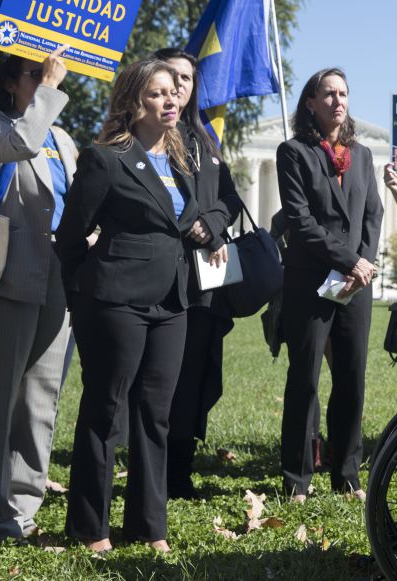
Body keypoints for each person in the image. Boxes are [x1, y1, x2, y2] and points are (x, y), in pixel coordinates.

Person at [55, 59, 197, 553]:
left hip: (172, 301)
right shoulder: (106, 158)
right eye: (158, 93)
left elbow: (204, 210)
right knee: (106, 411)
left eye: (174, 92)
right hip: (114, 299)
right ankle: (90, 527)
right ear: (135, 103)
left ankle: (147, 525)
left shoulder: (184, 159)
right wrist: (83, 291)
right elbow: (70, 237)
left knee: (156, 415)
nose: (171, 100)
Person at [0, 45, 79, 542]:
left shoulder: (63, 137)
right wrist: (52, 89)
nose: (48, 78)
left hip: (59, 273)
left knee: (41, 397)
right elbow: (19, 146)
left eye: (50, 73)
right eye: (36, 73)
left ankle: (23, 508)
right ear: (10, 82)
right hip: (8, 272)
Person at [276, 68, 383, 502]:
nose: (338, 101)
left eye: (343, 93)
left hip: (355, 286)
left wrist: (365, 263)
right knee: (305, 378)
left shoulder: (362, 155)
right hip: (310, 281)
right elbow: (299, 222)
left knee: (352, 379)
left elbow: (372, 215)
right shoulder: (294, 152)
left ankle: (347, 475)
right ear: (311, 102)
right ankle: (298, 478)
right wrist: (349, 259)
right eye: (328, 94)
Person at [153, 48, 244, 499]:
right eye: (172, 77)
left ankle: (181, 473)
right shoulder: (149, 136)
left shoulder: (204, 138)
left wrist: (215, 225)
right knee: (166, 377)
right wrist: (198, 226)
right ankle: (157, 473)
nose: (181, 85)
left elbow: (230, 197)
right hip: (165, 274)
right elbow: (161, 194)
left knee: (199, 374)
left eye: (187, 78)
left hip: (207, 280)